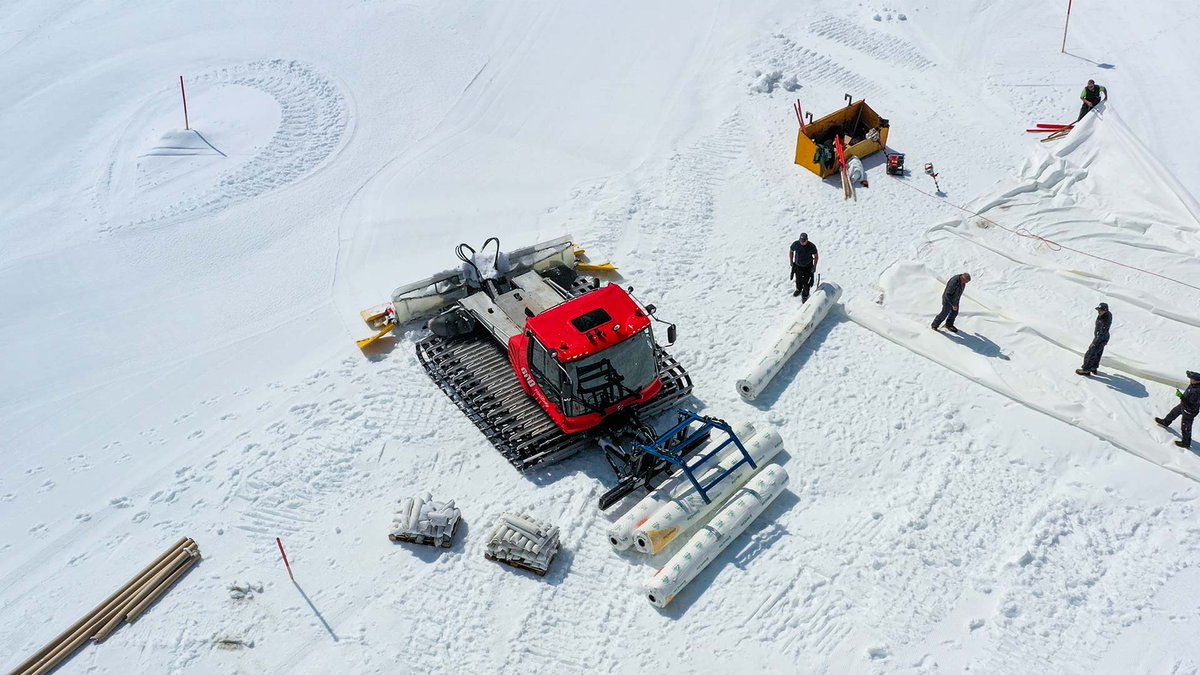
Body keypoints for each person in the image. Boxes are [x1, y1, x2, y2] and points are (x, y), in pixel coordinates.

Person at [1155, 371, 1200, 448]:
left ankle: (1186, 443)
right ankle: (1165, 422)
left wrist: (1181, 397)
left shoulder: (1197, 391)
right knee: (1173, 413)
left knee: (1185, 427)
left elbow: (1191, 405)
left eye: (1192, 379)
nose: (1190, 380)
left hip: (1189, 412)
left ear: (1197, 380)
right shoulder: (1194, 384)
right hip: (1183, 406)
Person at [1075, 302, 1112, 376]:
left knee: (1090, 353)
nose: (1098, 311)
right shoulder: (1107, 315)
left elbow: (1101, 333)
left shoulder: (1104, 321)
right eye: (1098, 310)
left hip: (1100, 339)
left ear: (1105, 310)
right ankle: (1093, 367)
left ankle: (1086, 370)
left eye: (1100, 310)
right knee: (1098, 353)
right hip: (1104, 338)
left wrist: (1095, 342)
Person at [789, 233, 819, 301]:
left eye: (804, 241)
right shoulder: (796, 244)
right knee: (798, 280)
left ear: (807, 240)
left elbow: (816, 256)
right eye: (801, 241)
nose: (802, 242)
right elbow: (791, 251)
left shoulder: (811, 246)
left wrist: (814, 266)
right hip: (798, 266)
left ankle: (805, 295)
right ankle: (798, 289)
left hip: (808, 267)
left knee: (806, 283)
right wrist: (791, 261)